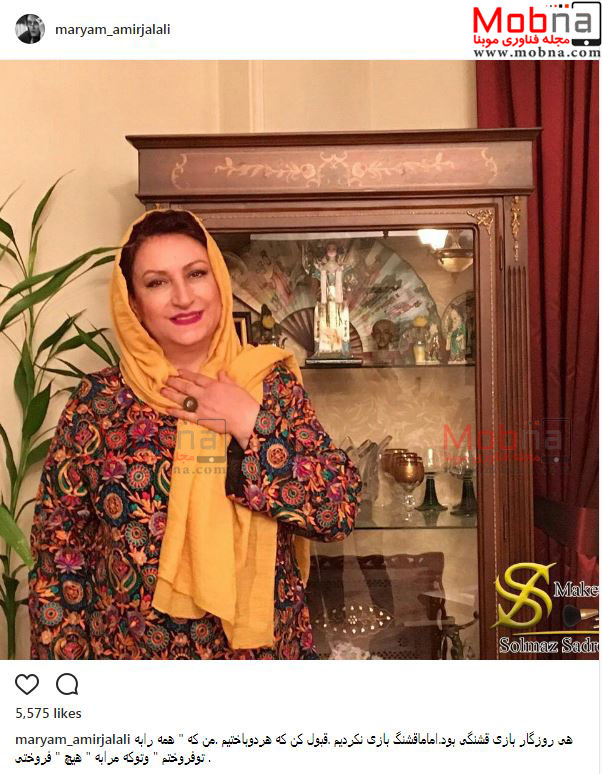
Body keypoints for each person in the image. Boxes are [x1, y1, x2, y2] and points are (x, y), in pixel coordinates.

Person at [28, 209, 362, 659]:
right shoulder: (99, 403)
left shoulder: (269, 385)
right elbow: (59, 553)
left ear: (219, 282)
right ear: (133, 303)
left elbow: (336, 512)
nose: (183, 297)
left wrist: (248, 420)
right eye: (157, 282)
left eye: (196, 274)